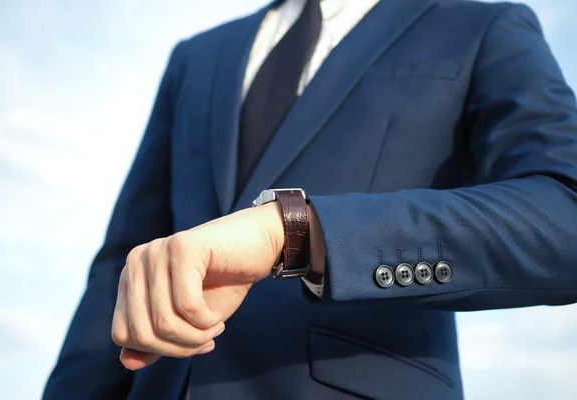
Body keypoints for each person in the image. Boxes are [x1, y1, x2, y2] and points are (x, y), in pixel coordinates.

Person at [43, 0, 577, 399]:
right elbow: (122, 265)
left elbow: (564, 215)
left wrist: (294, 232)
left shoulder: (481, 27)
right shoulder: (195, 58)